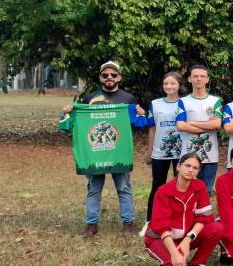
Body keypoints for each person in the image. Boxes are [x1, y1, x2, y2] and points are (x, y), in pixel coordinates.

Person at [60, 60, 147, 237]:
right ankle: (91, 225)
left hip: (118, 152)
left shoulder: (128, 100)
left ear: (119, 77)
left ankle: (128, 225)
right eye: (105, 75)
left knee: (124, 188)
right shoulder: (89, 99)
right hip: (95, 153)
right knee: (93, 189)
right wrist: (68, 112)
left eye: (113, 75)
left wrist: (141, 113)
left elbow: (140, 124)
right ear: (100, 78)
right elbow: (70, 125)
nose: (109, 77)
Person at [144, 153, 224, 266]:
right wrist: (174, 253)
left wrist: (187, 240)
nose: (190, 170)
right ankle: (166, 263)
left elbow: (204, 217)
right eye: (187, 166)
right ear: (178, 167)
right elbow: (161, 227)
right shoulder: (163, 191)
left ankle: (197, 263)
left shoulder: (199, 186)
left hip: (184, 236)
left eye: (195, 168)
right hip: (160, 238)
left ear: (198, 171)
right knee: (174, 264)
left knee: (217, 228)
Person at [175, 63, 223, 195]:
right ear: (189, 79)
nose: (199, 79)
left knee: (205, 193)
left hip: (210, 156)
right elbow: (180, 125)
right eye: (195, 76)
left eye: (202, 76)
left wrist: (191, 123)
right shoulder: (183, 101)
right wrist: (207, 124)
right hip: (188, 156)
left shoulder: (215, 101)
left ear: (207, 79)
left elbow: (217, 125)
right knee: (186, 192)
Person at [145, 70, 185, 225]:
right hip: (160, 152)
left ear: (179, 85)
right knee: (157, 185)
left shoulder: (185, 103)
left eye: (172, 83)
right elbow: (152, 128)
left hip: (181, 152)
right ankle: (151, 220)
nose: (169, 86)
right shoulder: (155, 104)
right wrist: (149, 151)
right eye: (166, 83)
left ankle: (176, 220)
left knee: (180, 186)